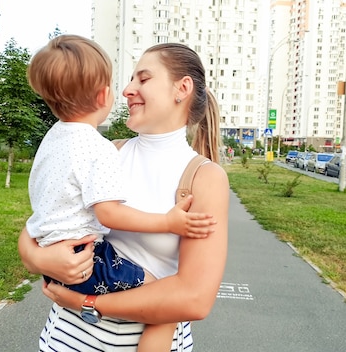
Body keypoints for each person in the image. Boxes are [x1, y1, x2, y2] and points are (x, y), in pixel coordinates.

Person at [18, 42, 229, 351]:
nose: (128, 89)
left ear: (182, 88)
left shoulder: (204, 177)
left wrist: (85, 301)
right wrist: (37, 258)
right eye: (129, 80)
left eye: (143, 79)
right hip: (65, 340)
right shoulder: (104, 152)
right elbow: (42, 221)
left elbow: (195, 300)